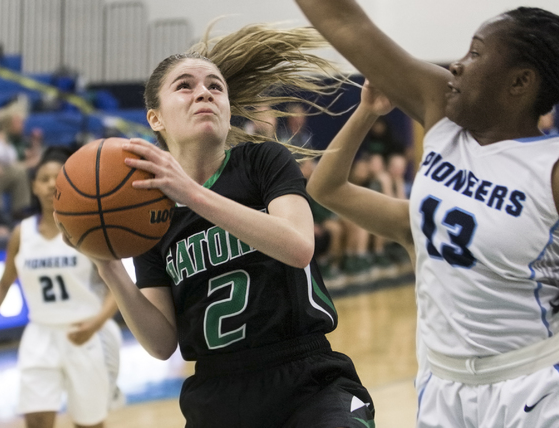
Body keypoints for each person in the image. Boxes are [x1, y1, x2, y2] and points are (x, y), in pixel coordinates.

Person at [298, 1, 559, 426]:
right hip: (442, 384)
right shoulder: (441, 110)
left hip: (535, 388)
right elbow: (344, 20)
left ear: (520, 82)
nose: (457, 65)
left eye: (476, 53)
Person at [64, 24, 375, 428]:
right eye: (185, 86)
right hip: (217, 393)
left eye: (215, 86)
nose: (204, 92)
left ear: (229, 110)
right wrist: (107, 266)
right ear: (154, 118)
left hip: (307, 377)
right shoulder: (148, 210)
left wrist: (192, 194)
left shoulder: (262, 161)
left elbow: (299, 247)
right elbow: (160, 343)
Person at [0, 147, 122, 428]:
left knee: (89, 424)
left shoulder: (89, 228)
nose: (51, 183)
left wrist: (95, 324)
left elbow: (116, 289)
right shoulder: (21, 232)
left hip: (87, 333)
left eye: (58, 177)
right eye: (44, 178)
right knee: (37, 419)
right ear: (34, 186)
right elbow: (4, 283)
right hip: (40, 334)